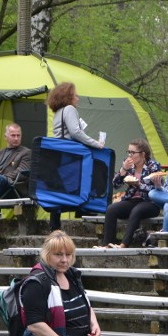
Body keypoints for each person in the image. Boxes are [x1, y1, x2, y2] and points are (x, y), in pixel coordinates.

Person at [46, 82, 104, 230]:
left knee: (61, 188)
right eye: (75, 96)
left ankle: (55, 226)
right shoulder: (70, 109)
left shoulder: (58, 112)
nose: (78, 99)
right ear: (68, 97)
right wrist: (96, 143)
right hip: (69, 154)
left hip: (57, 154)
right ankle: (85, 208)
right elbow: (76, 132)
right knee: (90, 175)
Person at [98, 139, 162, 248]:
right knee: (111, 209)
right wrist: (123, 169)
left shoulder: (153, 166)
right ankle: (108, 244)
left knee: (137, 210)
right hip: (132, 200)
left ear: (142, 154)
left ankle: (124, 244)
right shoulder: (128, 165)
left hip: (150, 202)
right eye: (128, 152)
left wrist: (139, 185)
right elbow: (115, 185)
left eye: (133, 152)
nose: (130, 155)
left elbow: (155, 189)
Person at [0, 123, 31, 199]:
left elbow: (22, 172)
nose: (16, 138)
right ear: (5, 137)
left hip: (13, 187)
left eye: (18, 135)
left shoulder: (26, 152)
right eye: (13, 135)